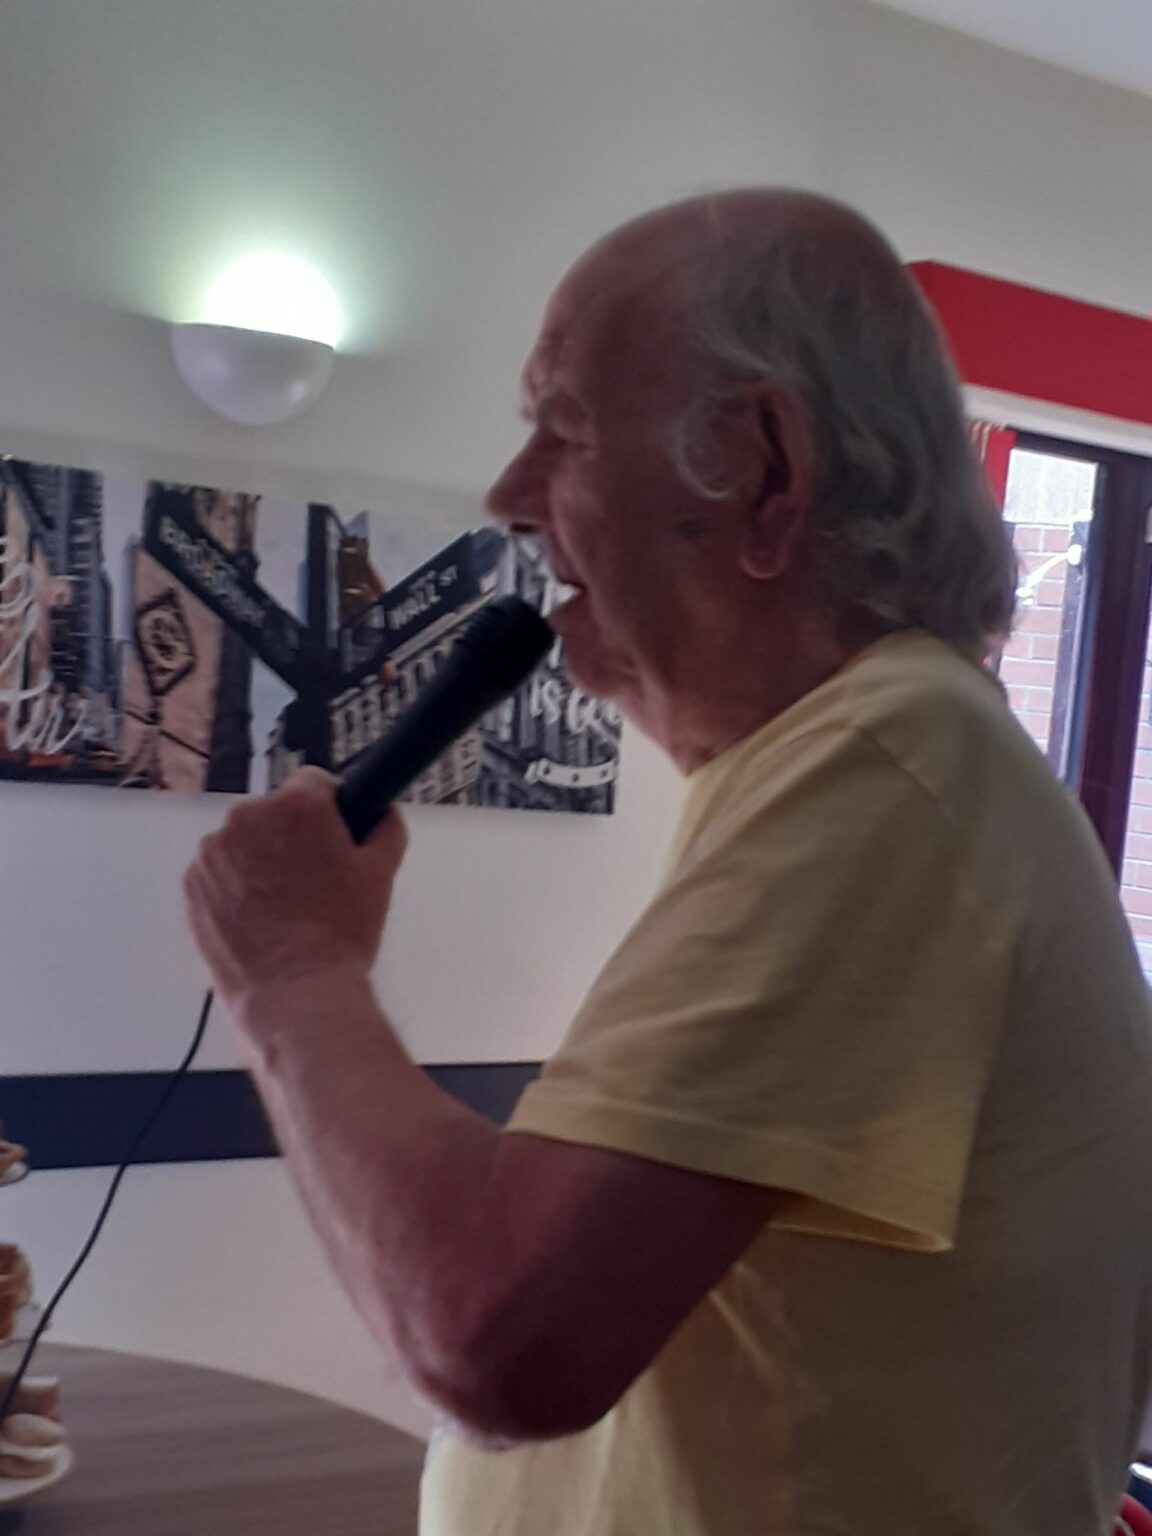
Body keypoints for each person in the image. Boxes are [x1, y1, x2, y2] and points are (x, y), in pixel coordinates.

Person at [184, 190, 1152, 1535]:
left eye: (564, 429)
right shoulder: (862, 766)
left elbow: (495, 1337)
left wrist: (292, 970)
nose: (510, 496)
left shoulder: (891, 765)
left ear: (766, 472)